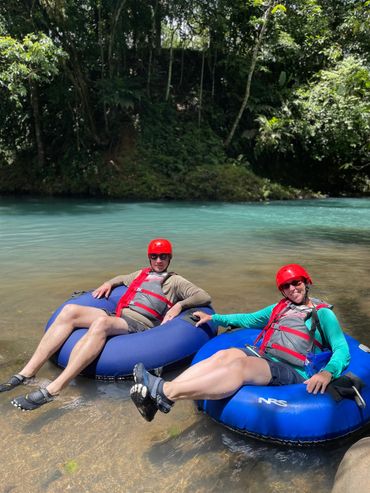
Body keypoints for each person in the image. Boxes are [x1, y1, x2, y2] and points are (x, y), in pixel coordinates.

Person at [0, 238, 211, 411]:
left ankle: (55, 388)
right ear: (149, 257)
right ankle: (27, 373)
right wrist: (108, 283)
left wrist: (179, 305)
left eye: (163, 257)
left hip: (140, 324)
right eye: (154, 256)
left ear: (169, 258)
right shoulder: (141, 274)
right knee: (69, 311)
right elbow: (121, 278)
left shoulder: (176, 281)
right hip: (118, 314)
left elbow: (204, 296)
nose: (158, 260)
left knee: (101, 323)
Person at [130, 263, 350, 422]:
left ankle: (165, 391)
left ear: (306, 282)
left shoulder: (322, 315)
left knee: (241, 366)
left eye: (296, 283)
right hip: (265, 355)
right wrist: (214, 318)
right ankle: (158, 396)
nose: (293, 289)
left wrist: (327, 372)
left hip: (293, 369)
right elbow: (248, 318)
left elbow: (341, 349)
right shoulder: (280, 307)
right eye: (286, 286)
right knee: (224, 355)